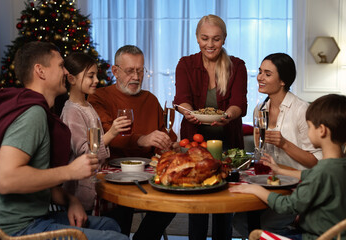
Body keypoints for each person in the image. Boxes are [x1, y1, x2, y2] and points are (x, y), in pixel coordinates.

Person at [0, 41, 128, 240]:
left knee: (110, 224)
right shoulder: (32, 113)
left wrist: (70, 200)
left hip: (33, 217)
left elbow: (38, 177)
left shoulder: (39, 110)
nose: (65, 72)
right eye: (61, 66)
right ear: (40, 71)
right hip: (15, 229)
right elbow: (6, 180)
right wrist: (70, 171)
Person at [88, 45, 177, 239]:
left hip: (148, 173)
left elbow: (165, 136)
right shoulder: (99, 97)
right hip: (115, 173)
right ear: (115, 71)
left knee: (171, 203)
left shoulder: (150, 99)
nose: (136, 77)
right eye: (130, 71)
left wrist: (169, 143)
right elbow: (106, 137)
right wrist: (143, 139)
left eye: (140, 70)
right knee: (121, 214)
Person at [230, 93, 346, 240]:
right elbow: (309, 175)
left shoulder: (321, 172)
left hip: (314, 237)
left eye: (309, 126)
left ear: (322, 130)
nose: (308, 131)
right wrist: (279, 170)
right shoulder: (337, 166)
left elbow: (287, 205)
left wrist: (256, 189)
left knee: (255, 230)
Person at [173, 14, 247, 240]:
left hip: (228, 145)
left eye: (216, 39)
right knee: (198, 205)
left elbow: (238, 104)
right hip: (194, 146)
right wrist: (190, 113)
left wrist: (227, 115)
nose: (210, 44)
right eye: (205, 38)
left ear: (224, 39)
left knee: (223, 206)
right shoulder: (186, 64)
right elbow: (182, 99)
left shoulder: (237, 65)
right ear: (197, 38)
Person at [234, 53, 323, 237]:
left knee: (260, 226)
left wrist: (284, 144)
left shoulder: (301, 110)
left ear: (283, 80)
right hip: (271, 184)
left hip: (297, 190)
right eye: (260, 72)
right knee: (239, 221)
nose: (259, 77)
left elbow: (316, 163)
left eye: (267, 74)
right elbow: (261, 153)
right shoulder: (260, 109)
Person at [60, 52, 131, 214]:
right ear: (71, 79)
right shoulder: (71, 111)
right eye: (90, 76)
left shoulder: (87, 105)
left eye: (96, 76)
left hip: (96, 181)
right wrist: (111, 133)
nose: (97, 81)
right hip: (82, 190)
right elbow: (84, 152)